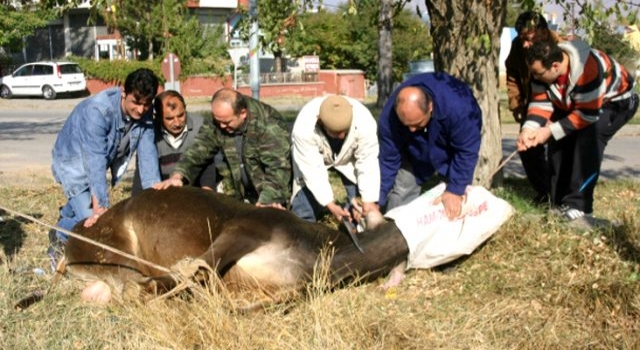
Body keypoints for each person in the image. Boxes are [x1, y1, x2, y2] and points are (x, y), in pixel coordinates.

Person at [517, 39, 638, 228]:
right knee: (559, 140)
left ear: (555, 66)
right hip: (578, 103)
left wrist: (548, 131)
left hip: (616, 103)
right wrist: (529, 129)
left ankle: (580, 205)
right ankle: (558, 200)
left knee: (588, 138)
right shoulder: (541, 72)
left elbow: (586, 116)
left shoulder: (587, 70)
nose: (535, 77)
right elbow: (540, 103)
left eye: (537, 74)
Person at [49, 68, 161, 268]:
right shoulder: (98, 110)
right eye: (136, 102)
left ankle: (67, 214)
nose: (141, 110)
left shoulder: (145, 114)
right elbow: (95, 161)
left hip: (96, 161)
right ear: (123, 93)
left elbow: (148, 156)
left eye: (146, 104)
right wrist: (100, 208)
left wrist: (156, 197)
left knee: (85, 209)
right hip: (73, 164)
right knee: (94, 223)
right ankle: (59, 236)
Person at [153, 88, 291, 209]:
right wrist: (178, 176)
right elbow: (199, 149)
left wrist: (268, 201)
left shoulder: (270, 125)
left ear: (243, 113)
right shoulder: (220, 120)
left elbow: (278, 168)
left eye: (226, 122)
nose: (222, 127)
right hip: (238, 195)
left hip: (267, 195)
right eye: (218, 122)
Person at [378, 72, 482, 220]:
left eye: (416, 124)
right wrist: (377, 199)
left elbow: (466, 151)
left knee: (452, 195)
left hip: (450, 143)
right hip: (413, 148)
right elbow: (388, 159)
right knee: (403, 187)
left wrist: (455, 189)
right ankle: (394, 229)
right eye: (407, 125)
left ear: (430, 107)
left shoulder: (460, 108)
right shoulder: (390, 117)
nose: (412, 130)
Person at [290, 95, 380, 224]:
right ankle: (306, 225)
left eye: (345, 131)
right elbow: (312, 172)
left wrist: (369, 200)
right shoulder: (304, 127)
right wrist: (331, 205)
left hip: (350, 157)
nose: (342, 136)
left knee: (360, 202)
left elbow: (367, 161)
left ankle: (354, 222)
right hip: (313, 158)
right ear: (320, 122)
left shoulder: (364, 120)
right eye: (337, 133)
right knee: (304, 208)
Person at [505, 11, 563, 203]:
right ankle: (544, 192)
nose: (524, 44)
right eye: (521, 39)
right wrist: (516, 103)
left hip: (560, 107)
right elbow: (512, 74)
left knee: (559, 150)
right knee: (528, 147)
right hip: (534, 105)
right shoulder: (518, 48)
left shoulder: (562, 47)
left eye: (527, 38)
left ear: (543, 33)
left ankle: (561, 196)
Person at [131, 90, 216, 195]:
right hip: (163, 193)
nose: (177, 123)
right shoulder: (148, 136)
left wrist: (207, 190)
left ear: (185, 108)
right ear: (157, 117)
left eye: (181, 115)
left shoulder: (201, 126)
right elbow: (142, 172)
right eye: (169, 118)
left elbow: (207, 161)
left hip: (196, 191)